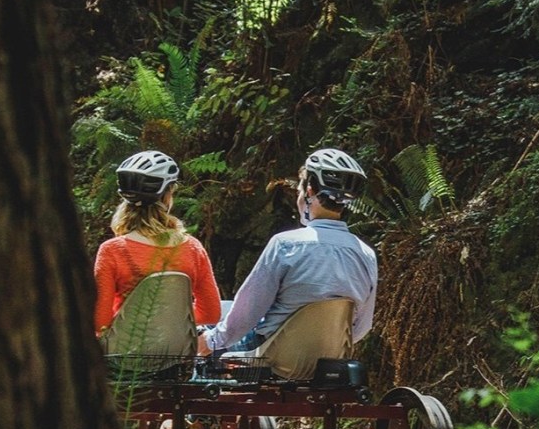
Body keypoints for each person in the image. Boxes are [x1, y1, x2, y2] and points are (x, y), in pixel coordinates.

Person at [197, 147, 377, 355]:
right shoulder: (366, 254)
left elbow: (247, 313)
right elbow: (362, 327)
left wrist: (210, 341)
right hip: (328, 357)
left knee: (208, 325)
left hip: (270, 353)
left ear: (309, 191)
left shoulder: (286, 245)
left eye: (300, 190)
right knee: (224, 308)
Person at [94, 150, 221, 337]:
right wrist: (167, 318)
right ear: (167, 196)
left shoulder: (112, 251)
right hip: (178, 356)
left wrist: (135, 321)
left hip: (123, 357)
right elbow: (211, 313)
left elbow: (100, 322)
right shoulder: (193, 248)